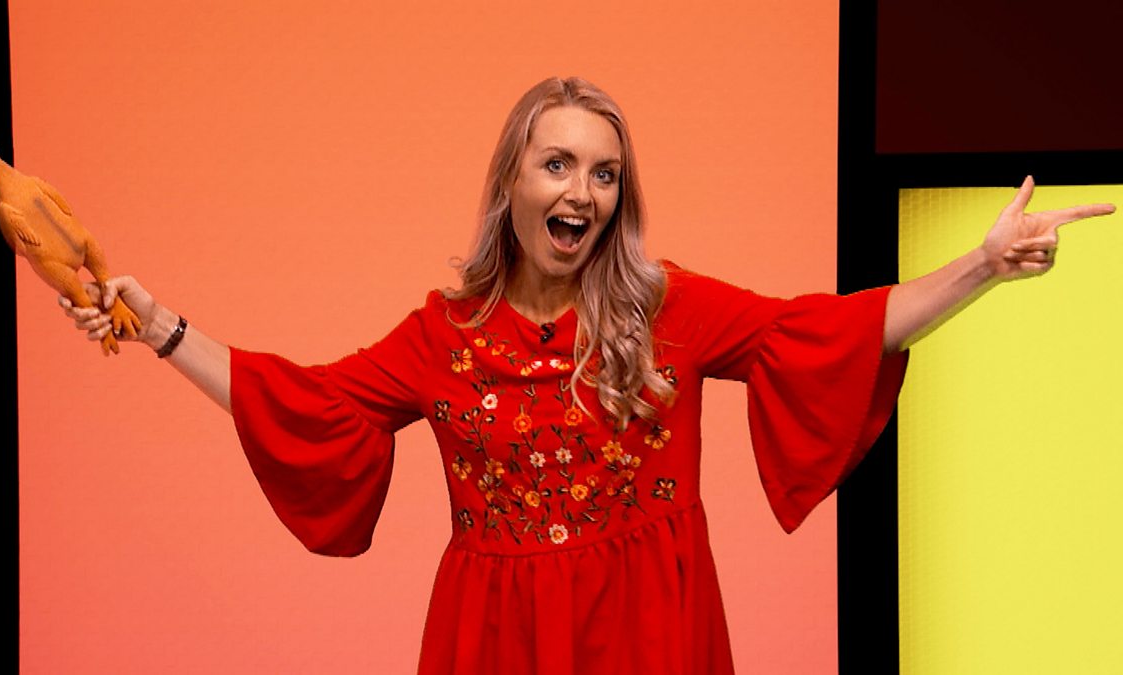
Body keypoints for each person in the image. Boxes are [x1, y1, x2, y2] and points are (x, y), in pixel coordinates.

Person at [59, 77, 1114, 674]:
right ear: (511, 181)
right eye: (558, 164)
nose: (584, 191)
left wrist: (982, 267)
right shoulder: (442, 334)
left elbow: (831, 332)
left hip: (654, 635)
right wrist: (159, 326)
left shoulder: (668, 308)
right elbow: (305, 401)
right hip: (493, 643)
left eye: (605, 173)